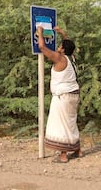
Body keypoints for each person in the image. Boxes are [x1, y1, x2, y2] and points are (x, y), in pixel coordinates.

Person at [36, 25, 83, 163]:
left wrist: (40, 33)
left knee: (61, 124)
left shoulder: (59, 58)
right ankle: (77, 149)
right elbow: (70, 45)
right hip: (73, 95)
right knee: (71, 123)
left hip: (63, 96)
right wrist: (63, 33)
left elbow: (42, 48)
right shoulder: (71, 58)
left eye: (60, 45)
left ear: (62, 49)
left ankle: (63, 155)